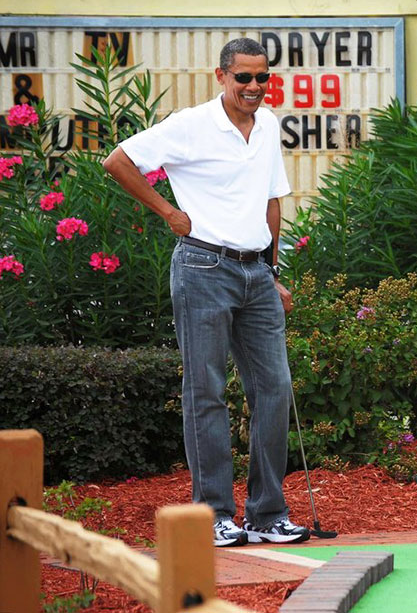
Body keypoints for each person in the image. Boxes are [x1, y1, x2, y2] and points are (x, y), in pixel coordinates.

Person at [103, 38, 310, 547]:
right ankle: (214, 514)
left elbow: (270, 201)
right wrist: (169, 213)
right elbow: (117, 160)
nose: (255, 87)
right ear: (221, 76)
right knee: (207, 393)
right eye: (244, 77)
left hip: (256, 273)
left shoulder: (265, 127)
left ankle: (266, 515)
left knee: (275, 388)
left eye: (263, 77)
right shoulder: (191, 124)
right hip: (201, 265)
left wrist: (273, 270)